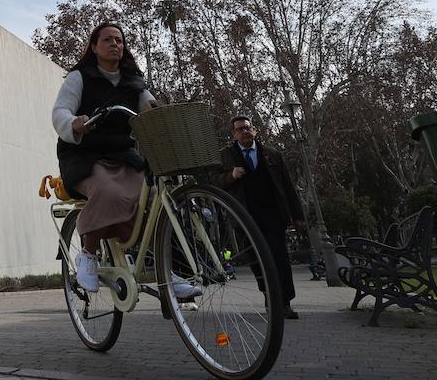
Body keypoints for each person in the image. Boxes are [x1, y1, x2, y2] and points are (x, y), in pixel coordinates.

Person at [51, 21, 199, 299]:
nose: (115, 44)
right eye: (107, 40)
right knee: (109, 192)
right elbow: (60, 112)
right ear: (94, 47)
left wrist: (166, 119)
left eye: (119, 40)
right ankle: (88, 255)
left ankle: (166, 272)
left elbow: (152, 110)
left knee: (155, 197)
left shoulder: (134, 82)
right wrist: (75, 123)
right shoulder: (79, 77)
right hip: (84, 154)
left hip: (123, 154)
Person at [211, 115, 307, 319]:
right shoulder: (225, 156)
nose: (244, 131)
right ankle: (270, 298)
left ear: (254, 130)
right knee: (257, 260)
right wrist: (231, 176)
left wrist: (297, 216)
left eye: (247, 128)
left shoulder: (272, 154)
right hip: (244, 217)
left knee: (279, 258)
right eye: (239, 129)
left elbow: (288, 187)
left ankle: (285, 303)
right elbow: (212, 182)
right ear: (234, 134)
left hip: (273, 214)